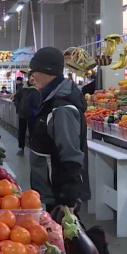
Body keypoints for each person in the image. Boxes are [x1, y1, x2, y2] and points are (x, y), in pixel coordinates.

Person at [28, 47, 90, 210]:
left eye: (34, 71)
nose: (32, 77)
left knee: (65, 233)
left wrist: (69, 198)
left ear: (48, 72)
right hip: (53, 189)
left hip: (60, 193)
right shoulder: (51, 99)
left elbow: (70, 154)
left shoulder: (62, 107)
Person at [14, 75, 40, 155]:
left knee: (33, 132)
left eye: (34, 78)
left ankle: (33, 148)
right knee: (22, 131)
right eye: (31, 78)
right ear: (28, 79)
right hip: (22, 113)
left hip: (33, 114)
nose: (32, 79)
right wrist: (18, 107)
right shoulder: (22, 88)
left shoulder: (38, 88)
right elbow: (16, 98)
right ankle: (21, 147)